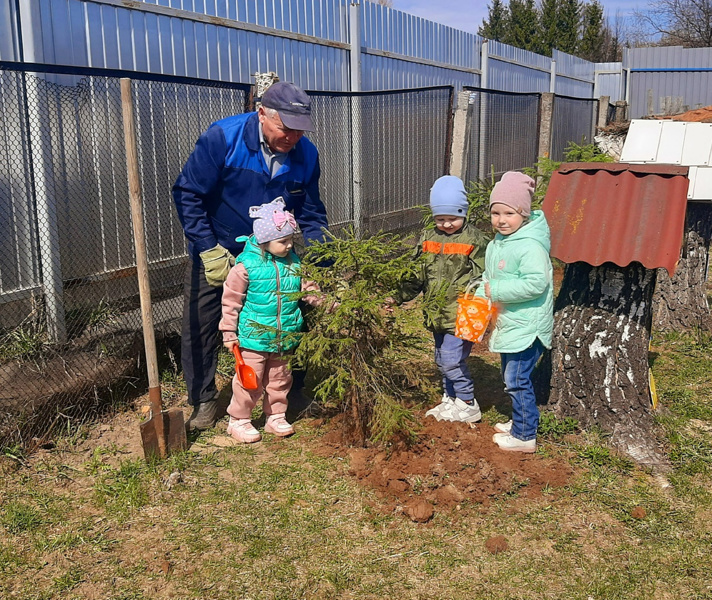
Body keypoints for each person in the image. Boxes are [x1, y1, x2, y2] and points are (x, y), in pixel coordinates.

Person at [172, 81, 328, 430]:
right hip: (220, 248)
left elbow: (312, 213)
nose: (292, 137)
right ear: (261, 114)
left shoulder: (307, 155)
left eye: (299, 130)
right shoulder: (223, 139)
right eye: (284, 128)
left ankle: (290, 392)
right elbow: (188, 194)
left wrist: (321, 259)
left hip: (276, 256)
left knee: (291, 316)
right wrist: (207, 248)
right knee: (202, 324)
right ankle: (204, 400)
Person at [219, 198, 317, 443]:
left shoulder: (294, 264)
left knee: (280, 379)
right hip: (253, 338)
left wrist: (333, 303)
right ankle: (239, 420)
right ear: (264, 241)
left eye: (291, 240)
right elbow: (231, 302)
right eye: (283, 241)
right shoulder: (246, 267)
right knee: (249, 380)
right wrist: (229, 333)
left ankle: (276, 416)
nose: (288, 246)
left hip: (285, 337)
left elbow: (310, 291)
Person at [397, 175, 488, 424]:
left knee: (451, 359)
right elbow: (416, 273)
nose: (447, 224)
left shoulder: (475, 241)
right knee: (441, 359)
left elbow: (485, 276)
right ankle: (451, 399)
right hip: (436, 312)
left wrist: (481, 309)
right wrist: (397, 297)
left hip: (462, 312)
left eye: (453, 218)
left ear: (465, 213)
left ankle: (468, 402)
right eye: (440, 219)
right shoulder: (428, 238)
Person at [476, 171, 554, 453]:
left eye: (509, 213)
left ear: (523, 213)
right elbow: (487, 278)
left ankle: (524, 436)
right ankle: (520, 422)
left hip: (527, 326)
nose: (501, 219)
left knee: (517, 380)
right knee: (511, 377)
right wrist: (479, 301)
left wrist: (495, 291)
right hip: (510, 322)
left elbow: (535, 283)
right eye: (495, 212)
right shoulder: (498, 243)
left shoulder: (530, 246)